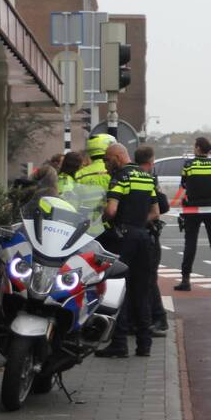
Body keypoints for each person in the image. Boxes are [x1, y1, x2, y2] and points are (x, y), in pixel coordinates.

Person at [97, 143, 160, 358]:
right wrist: (139, 224)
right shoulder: (146, 177)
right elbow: (156, 212)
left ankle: (119, 344)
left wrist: (100, 220)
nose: (106, 164)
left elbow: (112, 210)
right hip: (143, 237)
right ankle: (144, 345)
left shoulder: (120, 178)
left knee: (118, 289)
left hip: (123, 238)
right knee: (142, 291)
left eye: (107, 159)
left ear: (117, 156)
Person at [174, 137, 211, 291]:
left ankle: (185, 280)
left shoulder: (189, 165)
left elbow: (184, 184)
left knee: (190, 244)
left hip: (192, 208)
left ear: (198, 148)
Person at [135, 145, 171, 336]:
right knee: (148, 279)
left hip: (141, 233)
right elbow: (163, 206)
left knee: (147, 280)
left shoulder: (131, 177)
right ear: (151, 161)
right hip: (148, 234)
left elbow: (159, 209)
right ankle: (154, 318)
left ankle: (158, 318)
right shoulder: (149, 179)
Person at [75, 134, 117, 232]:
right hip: (109, 225)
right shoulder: (113, 171)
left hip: (86, 226)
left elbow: (75, 202)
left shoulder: (80, 174)